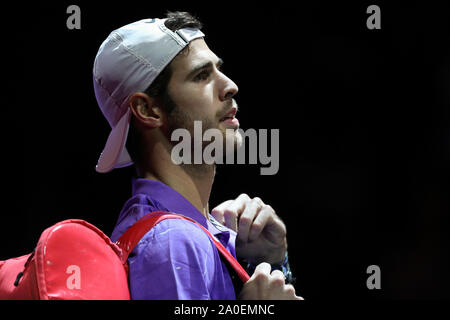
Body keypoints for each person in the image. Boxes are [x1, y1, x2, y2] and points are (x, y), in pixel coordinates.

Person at [93, 11, 302, 300]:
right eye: (201, 75)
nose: (230, 86)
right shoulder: (172, 242)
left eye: (219, 69)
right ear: (148, 110)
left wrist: (272, 262)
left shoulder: (191, 233)